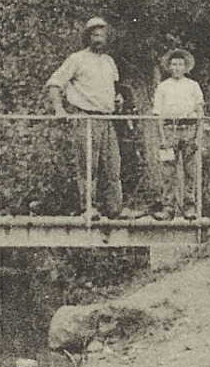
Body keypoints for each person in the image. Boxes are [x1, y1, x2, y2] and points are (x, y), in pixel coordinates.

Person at [46, 17, 141, 220]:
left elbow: (114, 88)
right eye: (95, 35)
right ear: (88, 37)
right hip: (86, 117)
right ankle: (88, 207)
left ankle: (115, 208)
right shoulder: (77, 59)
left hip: (107, 119)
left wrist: (118, 98)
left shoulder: (108, 61)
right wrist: (59, 109)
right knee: (88, 165)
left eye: (102, 35)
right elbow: (54, 84)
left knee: (113, 164)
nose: (99, 39)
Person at [151, 48, 205, 220]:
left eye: (180, 64)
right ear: (169, 66)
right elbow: (158, 114)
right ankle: (168, 208)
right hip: (170, 129)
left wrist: (198, 135)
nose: (176, 68)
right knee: (168, 171)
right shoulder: (163, 87)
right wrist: (162, 137)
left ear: (185, 67)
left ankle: (190, 206)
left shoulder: (193, 85)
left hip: (189, 128)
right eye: (173, 64)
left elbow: (200, 110)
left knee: (190, 170)